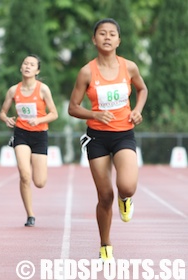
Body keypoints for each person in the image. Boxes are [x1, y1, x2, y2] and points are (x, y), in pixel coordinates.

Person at [68, 18, 148, 260]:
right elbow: (72, 107)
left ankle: (126, 200)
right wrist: (94, 114)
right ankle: (105, 244)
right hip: (97, 138)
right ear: (94, 39)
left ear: (119, 40)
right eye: (102, 33)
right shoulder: (86, 72)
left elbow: (142, 90)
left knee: (126, 186)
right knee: (104, 196)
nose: (107, 37)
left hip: (124, 133)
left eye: (112, 34)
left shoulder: (130, 67)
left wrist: (137, 110)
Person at [0, 54, 58, 227]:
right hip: (21, 134)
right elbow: (2, 112)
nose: (27, 66)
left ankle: (36, 168)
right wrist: (6, 119)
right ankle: (30, 215)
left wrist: (39, 120)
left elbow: (54, 114)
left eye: (32, 64)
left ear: (37, 70)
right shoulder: (13, 91)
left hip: (40, 135)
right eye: (25, 63)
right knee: (25, 175)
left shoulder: (43, 89)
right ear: (21, 67)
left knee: (39, 182)